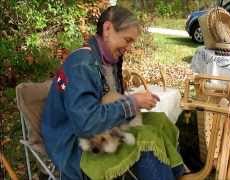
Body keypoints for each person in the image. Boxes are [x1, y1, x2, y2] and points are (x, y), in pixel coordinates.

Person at [41, 6, 184, 180]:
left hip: (102, 130)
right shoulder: (82, 64)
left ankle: (177, 175)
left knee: (160, 121)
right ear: (107, 29)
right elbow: (85, 124)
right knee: (147, 138)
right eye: (127, 40)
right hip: (74, 146)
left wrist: (131, 103)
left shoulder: (109, 60)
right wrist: (133, 103)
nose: (129, 47)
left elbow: (108, 103)